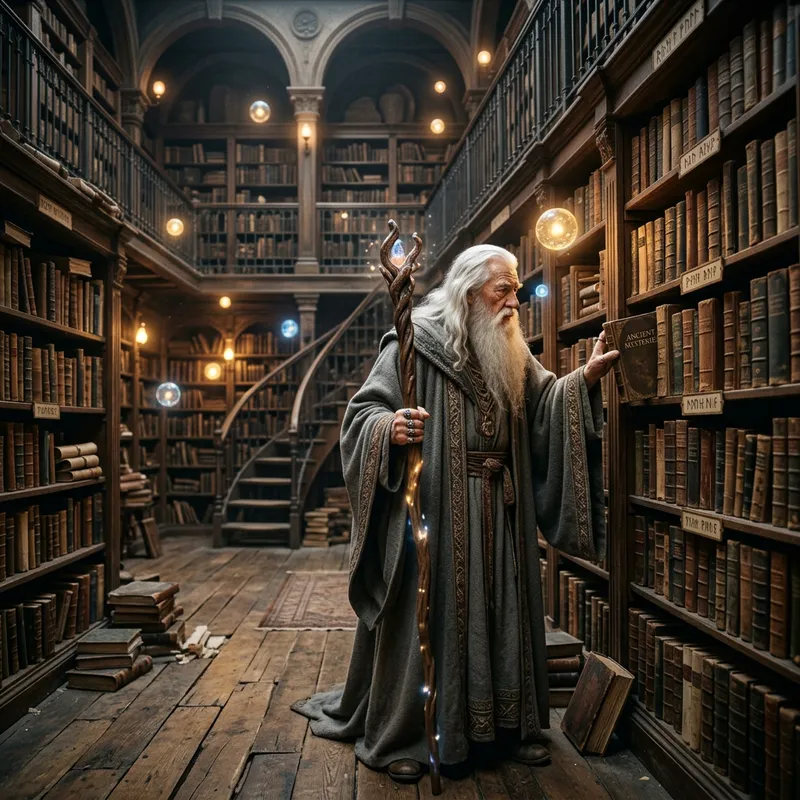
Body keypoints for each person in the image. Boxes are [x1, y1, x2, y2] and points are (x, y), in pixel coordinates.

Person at [293, 244, 618, 784]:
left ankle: (506, 730)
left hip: (500, 513)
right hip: (435, 513)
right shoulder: (413, 341)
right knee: (429, 619)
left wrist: (583, 378)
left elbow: (543, 403)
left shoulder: (510, 345)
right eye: (504, 289)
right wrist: (389, 428)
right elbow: (363, 413)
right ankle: (408, 732)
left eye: (516, 288)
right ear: (469, 292)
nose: (516, 300)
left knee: (500, 611)